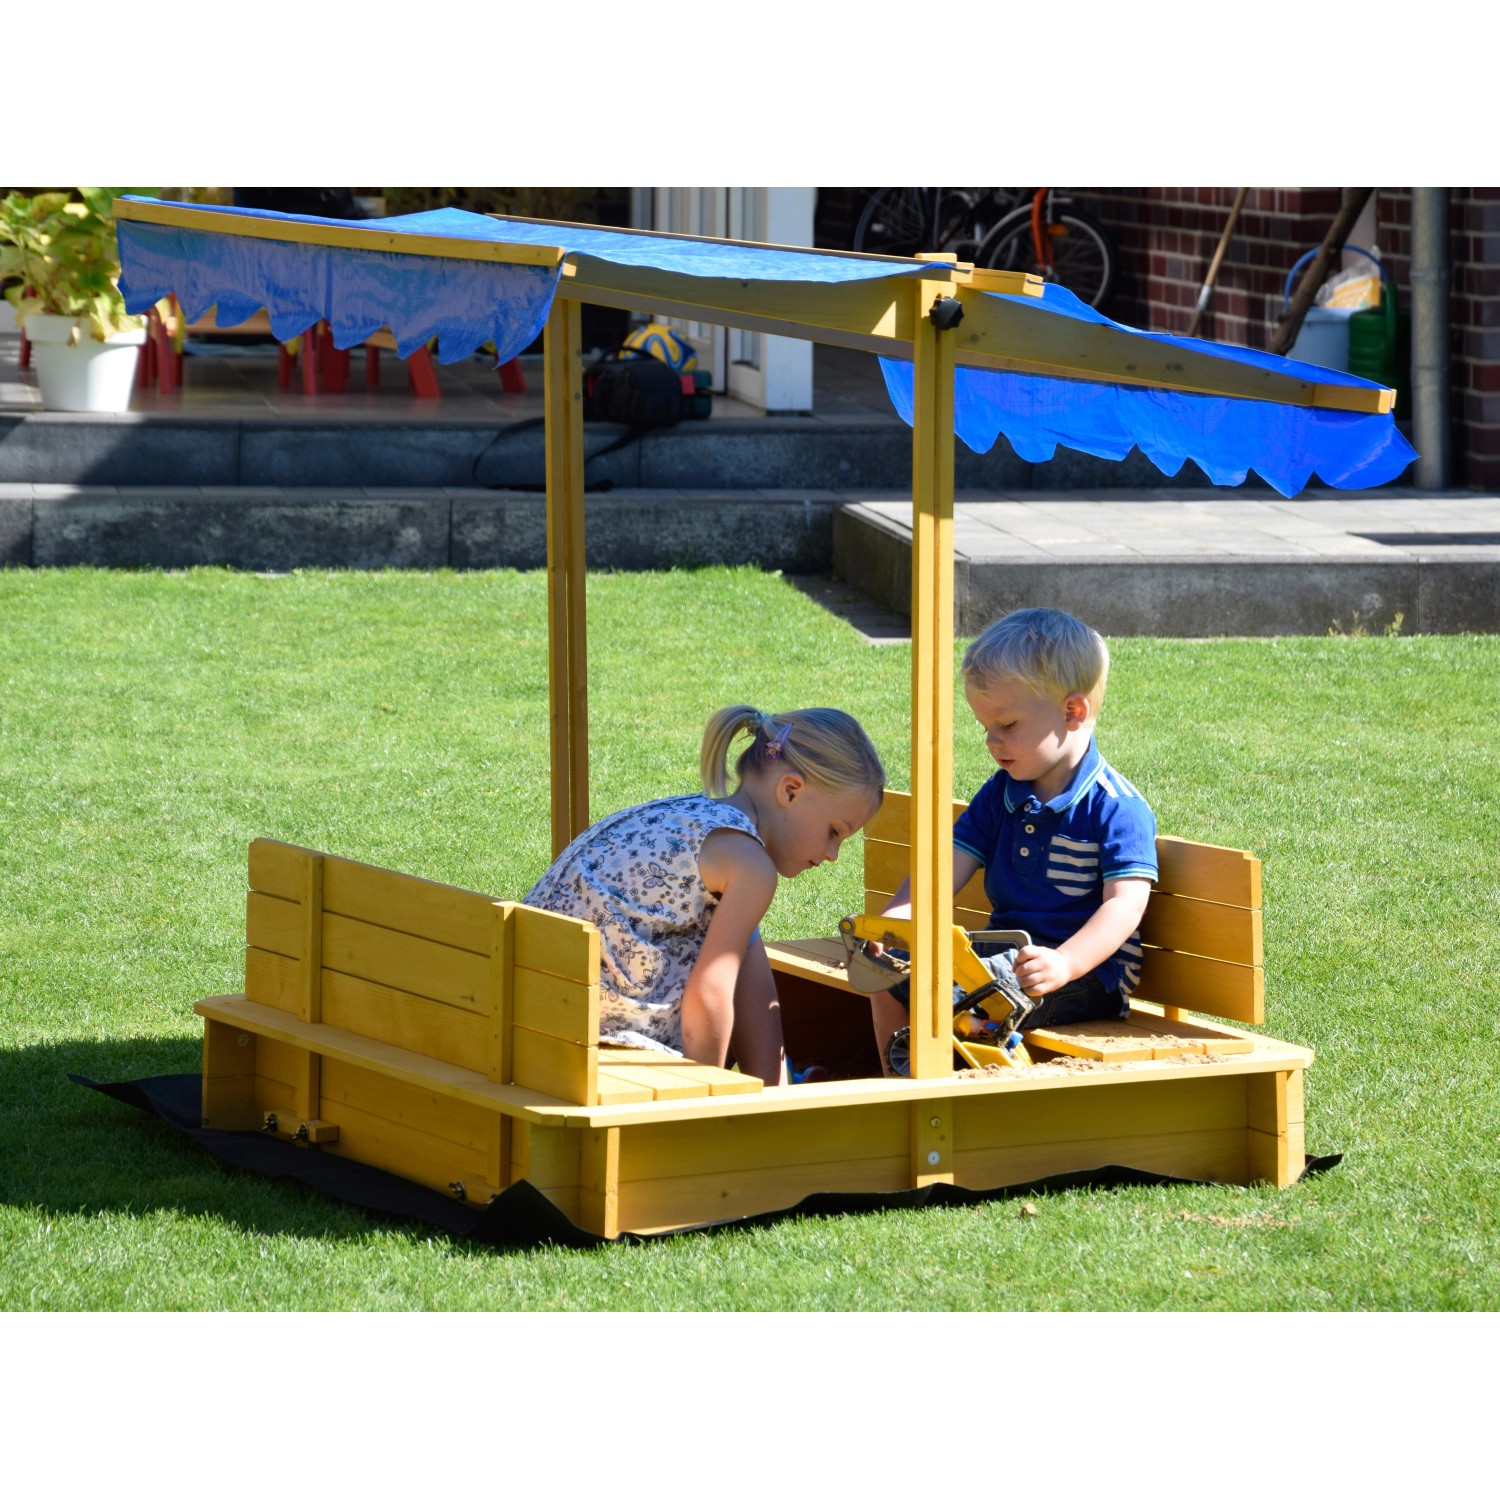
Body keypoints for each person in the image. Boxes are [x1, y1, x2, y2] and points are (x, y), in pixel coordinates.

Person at [524, 706, 885, 1085]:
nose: (832, 854)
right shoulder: (750, 865)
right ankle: (769, 1096)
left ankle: (777, 1090)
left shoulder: (692, 816)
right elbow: (709, 995)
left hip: (530, 1018)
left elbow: (748, 973)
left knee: (742, 938)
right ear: (790, 791)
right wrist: (705, 1104)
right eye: (834, 831)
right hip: (601, 1045)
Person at [869, 607, 1157, 1075]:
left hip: (1083, 976)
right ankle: (900, 1082)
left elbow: (1124, 906)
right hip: (1003, 955)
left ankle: (971, 1099)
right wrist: (902, 919)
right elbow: (948, 865)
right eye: (985, 727)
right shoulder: (1002, 792)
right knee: (886, 970)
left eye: (1007, 726)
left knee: (980, 996)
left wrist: (1064, 962)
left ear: (1072, 712)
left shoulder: (1115, 807)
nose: (991, 741)